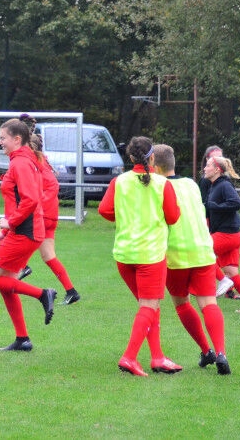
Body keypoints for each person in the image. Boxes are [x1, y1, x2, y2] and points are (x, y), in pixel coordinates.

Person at [98, 136, 182, 377]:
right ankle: (129, 357)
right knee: (149, 305)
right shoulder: (162, 184)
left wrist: (125, 217)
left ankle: (158, 357)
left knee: (149, 306)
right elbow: (173, 217)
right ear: (152, 157)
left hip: (124, 254)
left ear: (131, 157)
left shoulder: (119, 181)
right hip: (150, 255)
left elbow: (104, 210)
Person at [0, 117, 57, 353]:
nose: (0, 142)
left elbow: (30, 200)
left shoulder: (21, 163)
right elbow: (17, 201)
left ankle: (43, 294)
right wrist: (4, 229)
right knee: (7, 285)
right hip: (25, 230)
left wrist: (10, 223)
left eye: (2, 138)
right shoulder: (23, 160)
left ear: (16, 139)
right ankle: (22, 339)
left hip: (25, 231)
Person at [152, 144, 230, 375]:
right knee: (209, 304)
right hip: (203, 251)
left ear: (155, 166)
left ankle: (206, 350)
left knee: (182, 303)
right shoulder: (191, 184)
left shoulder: (158, 187)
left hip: (175, 254)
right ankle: (221, 353)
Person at [17, 114, 80, 305]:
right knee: (48, 256)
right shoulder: (42, 161)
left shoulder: (38, 165)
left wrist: (37, 205)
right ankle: (71, 291)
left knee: (17, 235)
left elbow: (51, 187)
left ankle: (22, 266)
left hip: (44, 215)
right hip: (50, 215)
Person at [204, 155, 240, 313]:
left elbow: (236, 203)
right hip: (230, 234)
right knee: (232, 273)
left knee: (201, 253)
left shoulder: (224, 185)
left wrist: (215, 206)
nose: (205, 168)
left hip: (228, 234)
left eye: (208, 165)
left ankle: (223, 281)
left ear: (217, 169)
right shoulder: (214, 186)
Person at [198, 145, 239, 300]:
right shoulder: (206, 181)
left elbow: (232, 202)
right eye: (213, 157)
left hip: (227, 229)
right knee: (223, 264)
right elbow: (205, 205)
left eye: (220, 156)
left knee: (205, 254)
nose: (218, 158)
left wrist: (217, 207)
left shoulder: (223, 182)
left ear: (218, 168)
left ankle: (224, 285)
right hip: (214, 224)